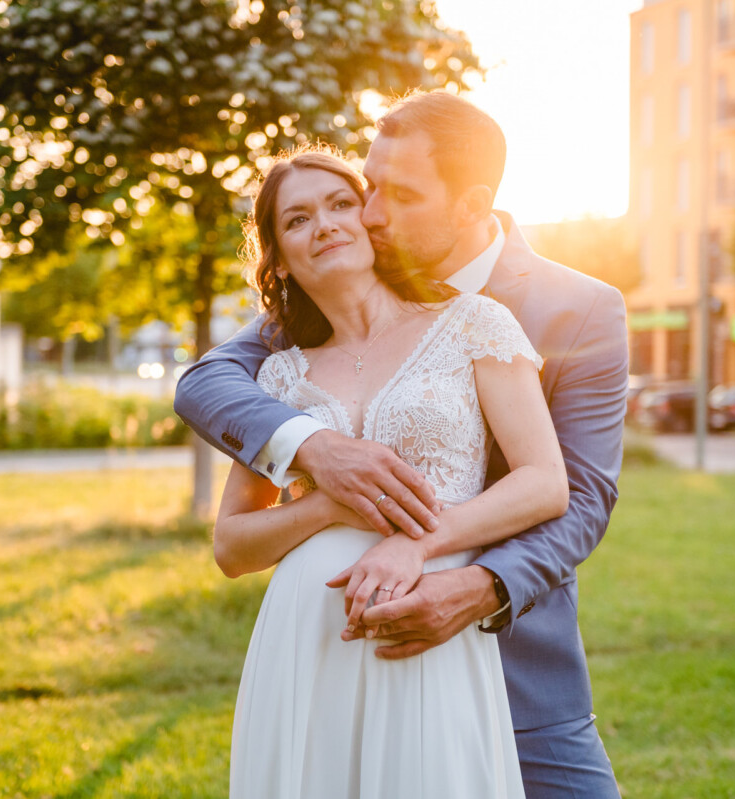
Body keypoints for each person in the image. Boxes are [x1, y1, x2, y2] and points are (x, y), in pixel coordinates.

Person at [175, 91, 628, 797]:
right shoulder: (300, 327)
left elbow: (579, 493)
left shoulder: (574, 310)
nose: (370, 212)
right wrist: (316, 453)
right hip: (319, 650)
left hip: (516, 651)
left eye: (398, 195)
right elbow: (203, 385)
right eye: (370, 185)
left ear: (471, 206)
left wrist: (472, 586)